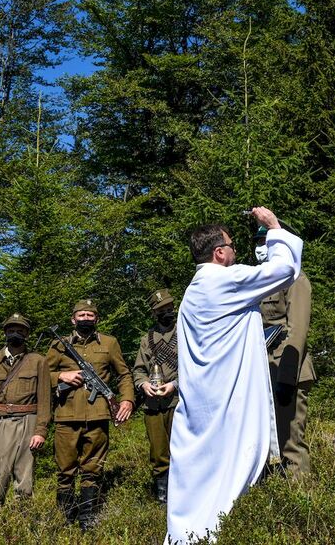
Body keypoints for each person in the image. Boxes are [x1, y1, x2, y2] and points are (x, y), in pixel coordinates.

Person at [166, 207, 303, 544]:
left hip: (199, 403)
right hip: (227, 402)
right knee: (228, 474)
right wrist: (273, 227)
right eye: (232, 245)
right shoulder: (224, 280)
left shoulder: (191, 293)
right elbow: (285, 270)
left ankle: (186, 535)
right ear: (219, 252)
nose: (237, 251)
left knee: (199, 475)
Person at [47, 299, 135, 528]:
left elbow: (124, 374)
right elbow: (41, 375)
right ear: (73, 319)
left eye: (90, 315)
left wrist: (127, 400)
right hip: (66, 416)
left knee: (93, 469)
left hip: (98, 417)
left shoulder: (110, 342)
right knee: (65, 470)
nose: (86, 319)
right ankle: (64, 518)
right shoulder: (59, 345)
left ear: (97, 319)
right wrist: (60, 377)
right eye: (81, 315)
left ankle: (88, 518)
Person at [0, 313, 50, 514]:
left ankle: (21, 525)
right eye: (11, 330)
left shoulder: (38, 361)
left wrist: (40, 431)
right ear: (5, 332)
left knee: (24, 480)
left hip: (29, 422)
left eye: (20, 330)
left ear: (27, 333)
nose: (15, 333)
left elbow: (44, 400)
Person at [255, 227, 316, 475]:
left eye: (265, 242)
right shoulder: (261, 282)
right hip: (264, 371)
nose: (260, 247)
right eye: (257, 242)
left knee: (291, 444)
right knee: (271, 445)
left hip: (288, 371)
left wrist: (287, 377)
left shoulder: (295, 279)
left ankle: (302, 504)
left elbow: (297, 330)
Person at [132, 289, 179, 503]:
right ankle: (163, 494)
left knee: (182, 449)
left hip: (178, 401)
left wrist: (175, 385)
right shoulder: (146, 339)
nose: (167, 312)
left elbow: (195, 367)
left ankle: (184, 492)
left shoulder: (184, 332)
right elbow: (139, 369)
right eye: (162, 310)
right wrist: (142, 385)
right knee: (158, 451)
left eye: (169, 308)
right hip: (153, 403)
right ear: (154, 313)